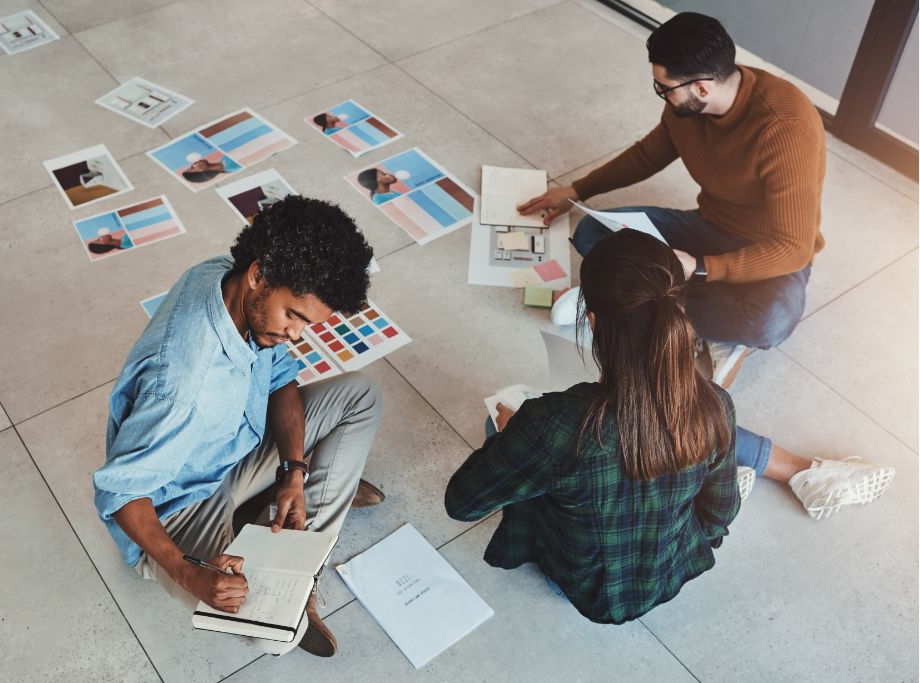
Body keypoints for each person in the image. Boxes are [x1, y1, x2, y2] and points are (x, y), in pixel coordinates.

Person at [445, 230, 895, 626]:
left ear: (594, 321)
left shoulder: (554, 424)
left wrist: (511, 434)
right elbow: (718, 517)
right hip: (670, 569)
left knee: (499, 422)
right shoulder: (715, 404)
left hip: (583, 583)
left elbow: (462, 503)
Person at [93, 195, 385, 658]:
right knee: (271, 637)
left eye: (306, 324)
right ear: (258, 277)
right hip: (176, 509)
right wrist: (189, 573)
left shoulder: (233, 281)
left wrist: (292, 471)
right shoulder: (182, 386)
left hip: (229, 447)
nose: (296, 334)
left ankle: (291, 542)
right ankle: (282, 538)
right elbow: (119, 492)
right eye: (294, 317)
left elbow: (279, 379)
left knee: (361, 396)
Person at [519, 12, 825, 388]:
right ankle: (673, 310)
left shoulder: (784, 127)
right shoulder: (687, 105)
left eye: (664, 87)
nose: (660, 94)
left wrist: (699, 267)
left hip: (770, 249)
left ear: (701, 88)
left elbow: (793, 248)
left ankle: (640, 304)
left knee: (770, 322)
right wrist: (578, 190)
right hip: (709, 224)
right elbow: (648, 155)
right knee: (592, 232)